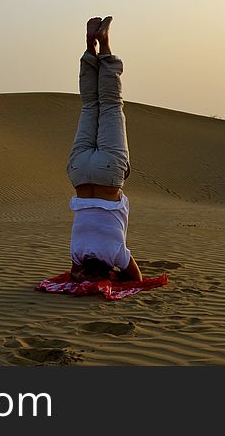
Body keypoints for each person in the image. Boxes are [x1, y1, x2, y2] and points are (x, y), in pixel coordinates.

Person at [66, 16, 143, 282]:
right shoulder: (77, 254)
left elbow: (136, 279)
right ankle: (90, 47)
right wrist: (81, 276)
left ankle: (105, 43)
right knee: (89, 105)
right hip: (79, 174)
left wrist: (115, 276)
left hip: (108, 174)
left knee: (110, 105)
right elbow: (77, 273)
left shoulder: (115, 255)